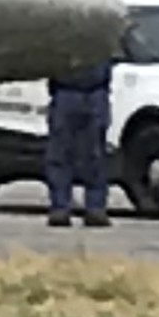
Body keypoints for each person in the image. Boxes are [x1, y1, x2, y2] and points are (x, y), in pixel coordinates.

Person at [43, 53, 114, 227]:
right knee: (62, 154)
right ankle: (63, 207)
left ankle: (93, 208)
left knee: (94, 154)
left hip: (91, 92)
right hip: (70, 91)